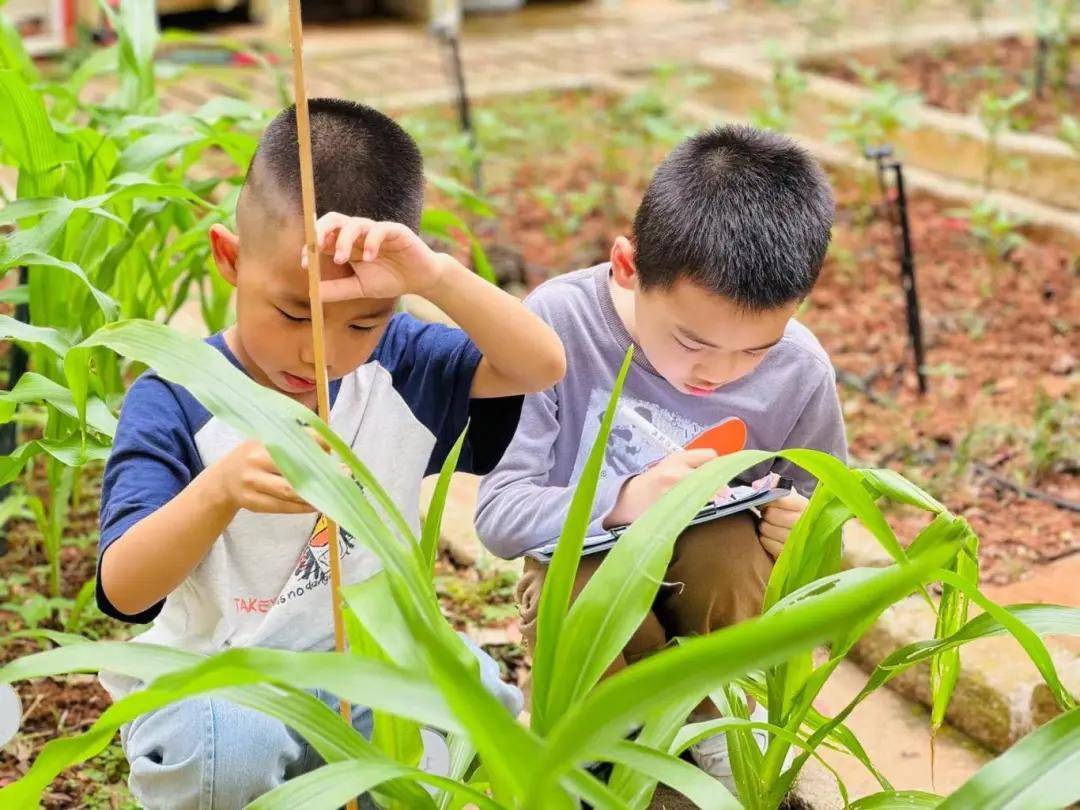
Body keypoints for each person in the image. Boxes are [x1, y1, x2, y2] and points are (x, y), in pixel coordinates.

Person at [97, 98, 566, 809]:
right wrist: (217, 492)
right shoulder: (178, 395)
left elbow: (540, 366)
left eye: (361, 321)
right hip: (225, 682)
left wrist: (433, 278)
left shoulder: (402, 366)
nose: (320, 351)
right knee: (232, 752)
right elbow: (125, 591)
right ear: (229, 257)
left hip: (372, 669)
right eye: (293, 312)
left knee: (465, 734)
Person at [474, 125, 846, 790]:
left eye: (753, 351)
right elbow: (499, 515)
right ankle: (600, 749)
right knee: (590, 585)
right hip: (589, 599)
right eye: (692, 340)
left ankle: (716, 734)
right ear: (628, 265)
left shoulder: (798, 371)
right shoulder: (559, 325)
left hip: (713, 611)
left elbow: (823, 513)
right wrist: (627, 498)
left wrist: (804, 528)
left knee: (730, 551)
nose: (719, 375)